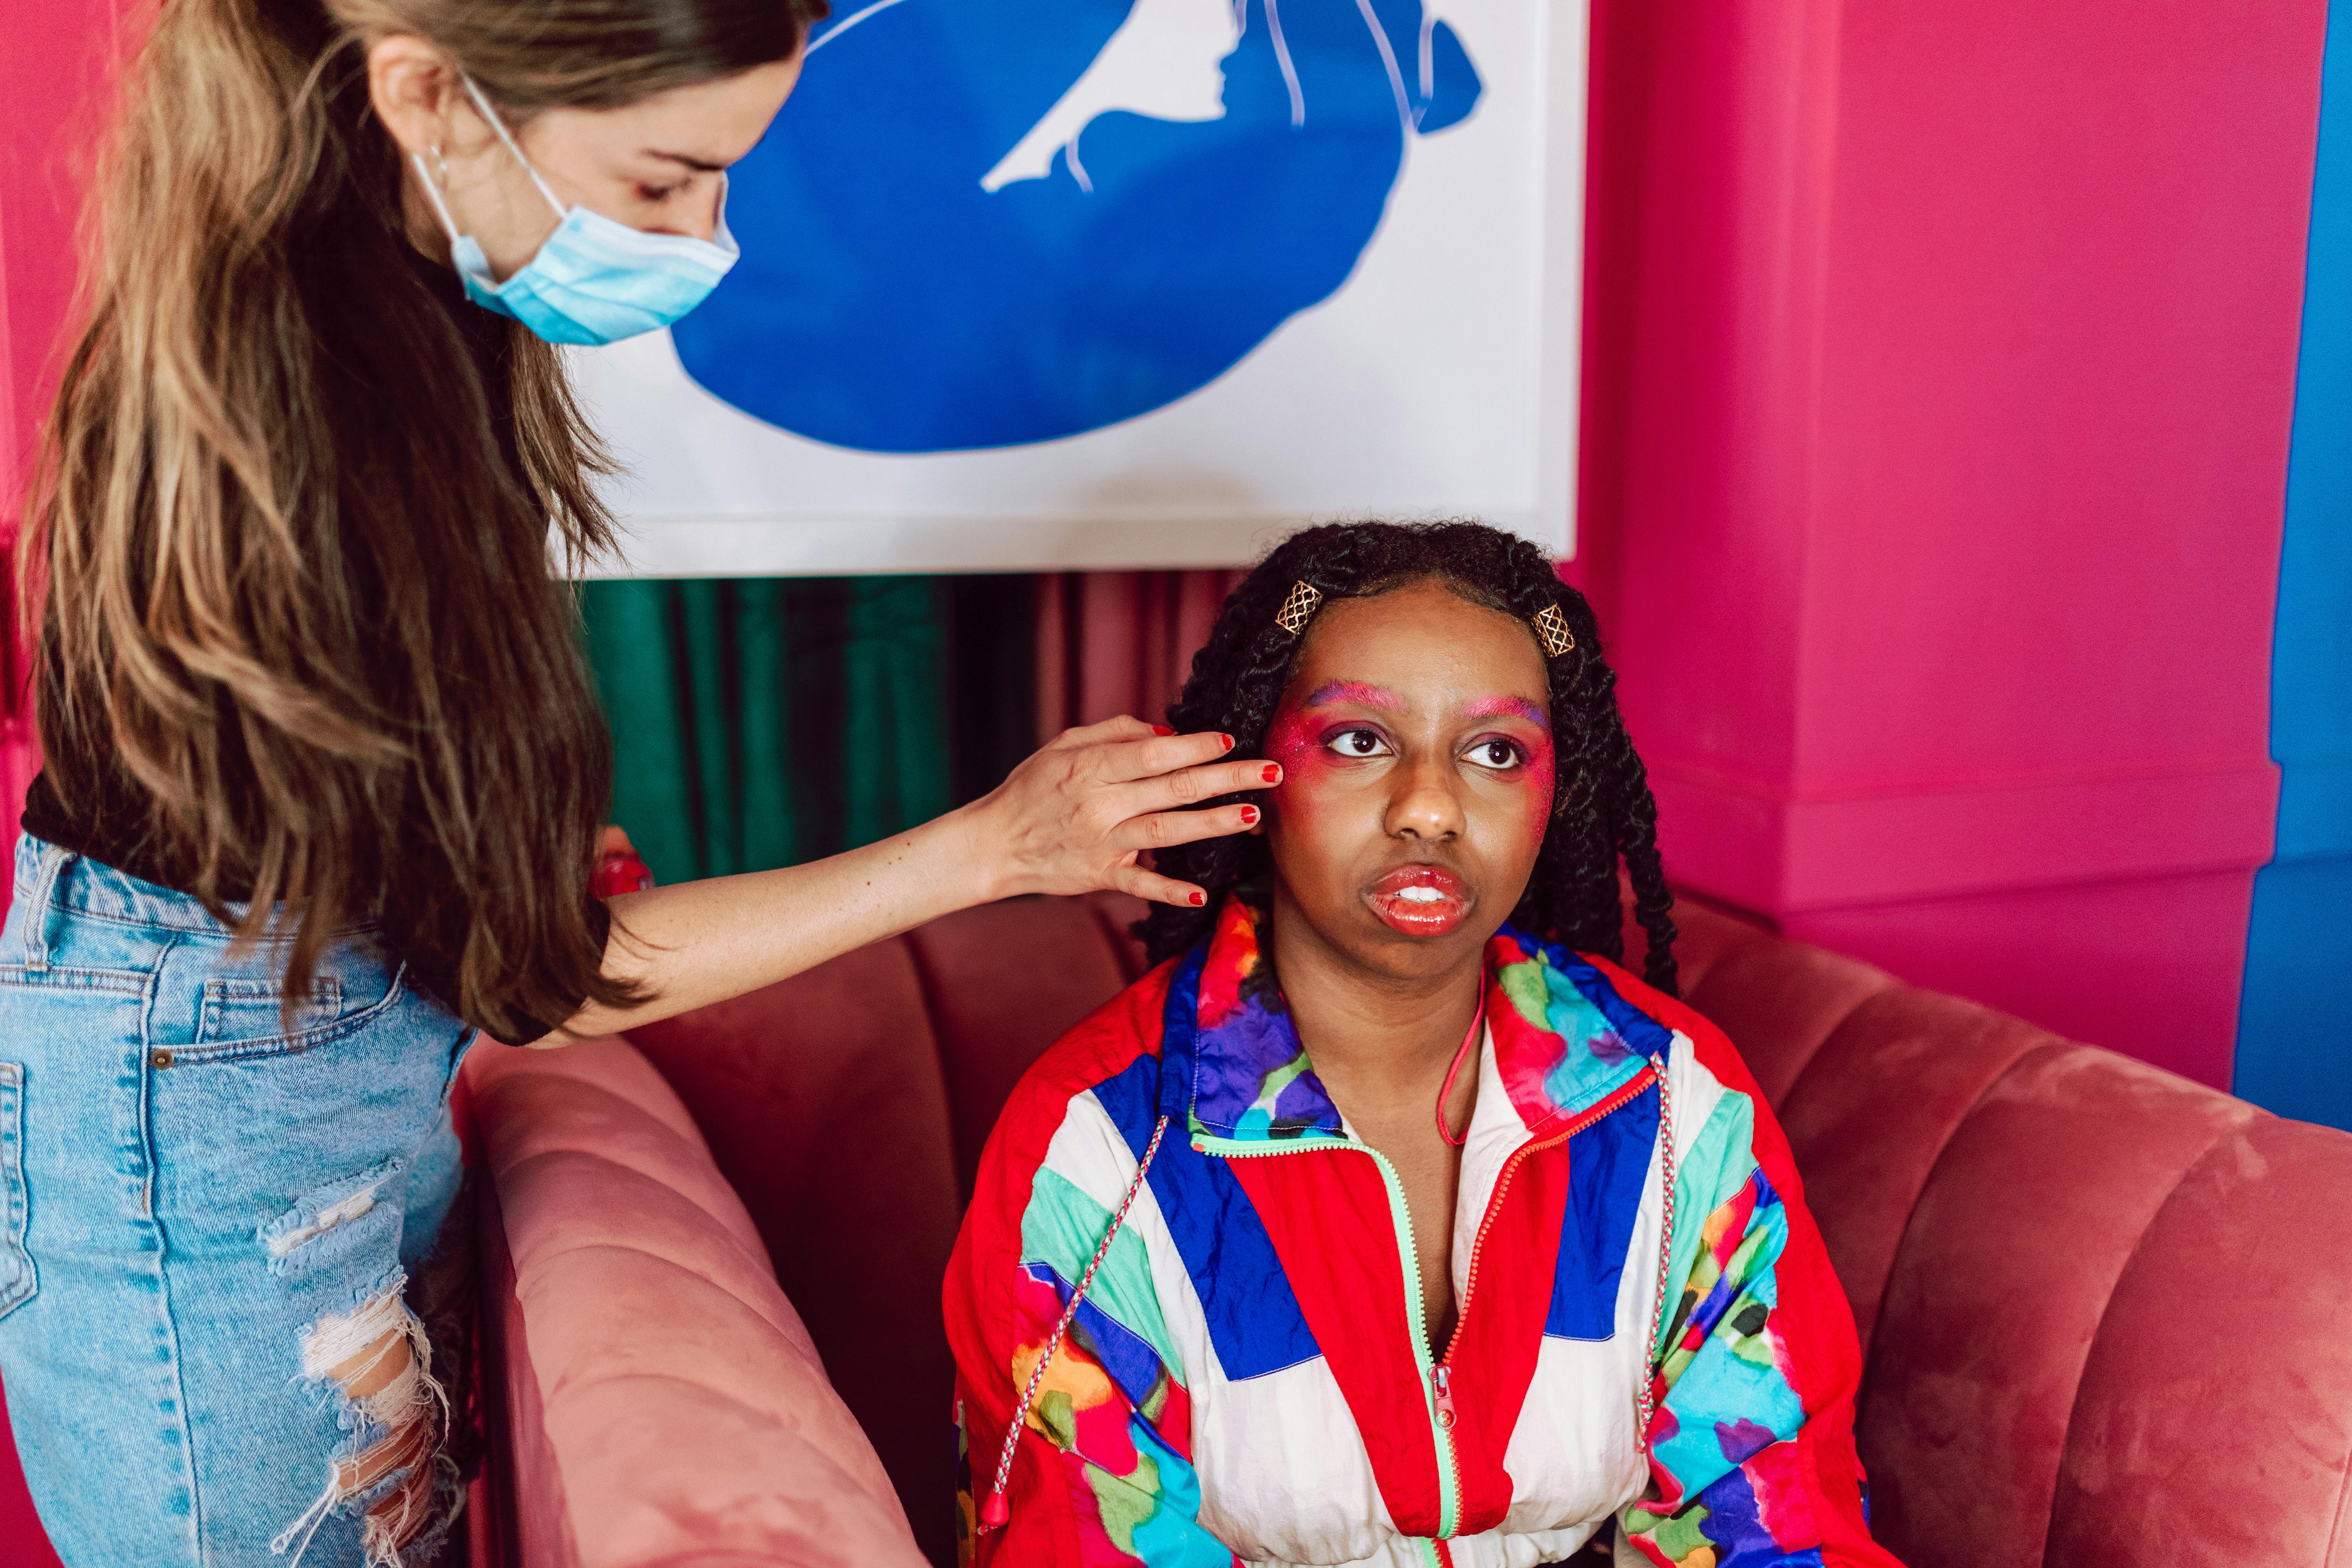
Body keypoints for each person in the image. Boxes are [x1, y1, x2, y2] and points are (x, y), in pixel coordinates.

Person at [0, 3, 1272, 1564]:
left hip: (297, 1051)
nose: (705, 242)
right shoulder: (326, 405)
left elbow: (425, 866)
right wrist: (992, 845)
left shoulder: (403, 298)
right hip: (215, 1092)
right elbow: (552, 980)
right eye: (667, 182)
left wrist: (449, 837)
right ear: (428, 98)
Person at [945, 522, 1902, 1568]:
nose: (1432, 809)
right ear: (1255, 781)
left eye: (1495, 753)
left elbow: (1775, 1515)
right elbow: (1077, 1542)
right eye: (1360, 740)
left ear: (1555, 798)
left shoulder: (1672, 1103)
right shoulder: (1097, 1153)